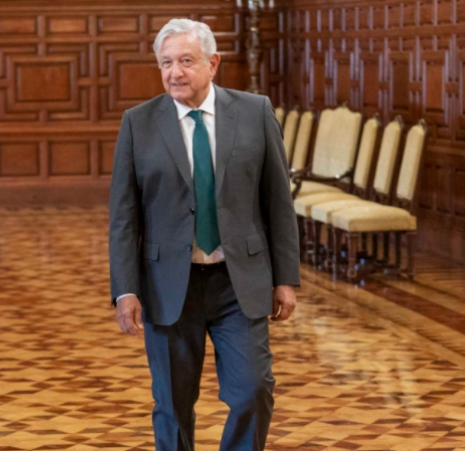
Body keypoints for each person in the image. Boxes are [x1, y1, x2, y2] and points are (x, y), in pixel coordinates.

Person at [108, 19, 300, 451]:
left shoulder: (255, 111)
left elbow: (278, 202)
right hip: (168, 284)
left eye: (186, 61)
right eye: (166, 63)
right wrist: (125, 290)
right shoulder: (138, 123)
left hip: (240, 281)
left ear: (213, 63)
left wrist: (286, 278)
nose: (175, 72)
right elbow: (123, 216)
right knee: (172, 404)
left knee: (253, 389)